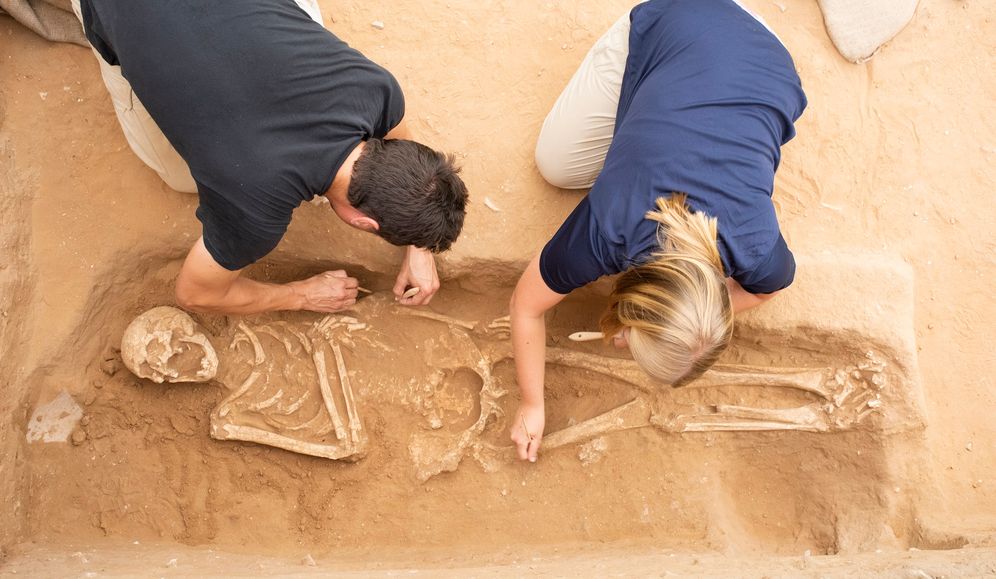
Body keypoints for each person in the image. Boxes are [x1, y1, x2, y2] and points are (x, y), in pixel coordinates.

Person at [509, 0, 807, 462]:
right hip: (679, 20)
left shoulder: (756, 245)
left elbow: (767, 290)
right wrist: (532, 403)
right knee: (558, 165)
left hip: (766, 54)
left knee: (618, 145)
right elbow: (526, 306)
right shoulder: (611, 227)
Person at [71, 0, 468, 314]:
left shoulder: (376, 90)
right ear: (362, 222)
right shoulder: (254, 210)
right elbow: (194, 293)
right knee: (181, 179)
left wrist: (420, 245)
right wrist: (301, 295)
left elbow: (406, 149)